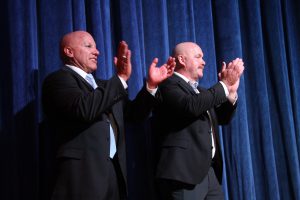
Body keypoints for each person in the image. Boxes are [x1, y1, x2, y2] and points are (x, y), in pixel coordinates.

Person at [41, 30, 175, 200]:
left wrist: (150, 86)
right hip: (81, 176)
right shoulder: (58, 80)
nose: (97, 52)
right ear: (69, 51)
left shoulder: (104, 86)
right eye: (88, 46)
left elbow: (133, 115)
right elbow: (85, 109)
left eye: (96, 47)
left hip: (113, 174)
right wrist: (119, 78)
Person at [152, 42, 244, 200]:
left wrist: (230, 92)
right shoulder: (167, 85)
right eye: (198, 57)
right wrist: (223, 84)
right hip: (183, 174)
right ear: (182, 59)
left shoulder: (201, 92)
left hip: (209, 173)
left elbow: (222, 118)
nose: (204, 62)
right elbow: (190, 107)